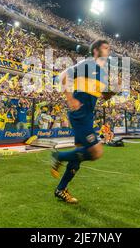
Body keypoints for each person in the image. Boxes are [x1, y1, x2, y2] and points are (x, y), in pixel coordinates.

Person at [50, 40, 112, 204]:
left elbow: (104, 96)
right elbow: (63, 76)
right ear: (96, 51)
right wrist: (70, 98)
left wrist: (114, 90)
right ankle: (59, 156)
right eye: (105, 48)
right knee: (96, 151)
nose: (108, 50)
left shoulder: (103, 73)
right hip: (80, 114)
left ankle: (61, 189)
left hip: (87, 116)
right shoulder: (87, 64)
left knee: (78, 156)